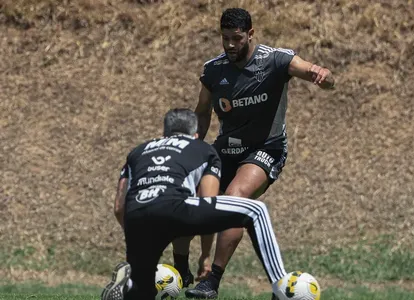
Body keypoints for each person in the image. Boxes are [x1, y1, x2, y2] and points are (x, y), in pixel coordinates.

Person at [186, 7, 335, 299]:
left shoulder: (275, 59)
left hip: (265, 149)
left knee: (236, 197)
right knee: (188, 198)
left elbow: (312, 70)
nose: (230, 45)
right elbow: (202, 112)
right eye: (225, 38)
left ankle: (211, 282)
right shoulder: (213, 70)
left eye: (237, 38)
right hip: (225, 150)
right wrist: (192, 145)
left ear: (251, 34)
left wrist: (323, 76)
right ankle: (181, 268)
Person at [101, 108, 289, 300]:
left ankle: (128, 288)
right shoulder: (203, 149)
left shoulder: (138, 152)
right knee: (255, 210)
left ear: (164, 133)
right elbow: (207, 201)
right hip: (174, 206)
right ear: (196, 134)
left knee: (142, 292)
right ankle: (282, 287)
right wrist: (205, 257)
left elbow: (119, 207)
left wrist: (136, 235)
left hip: (137, 215)